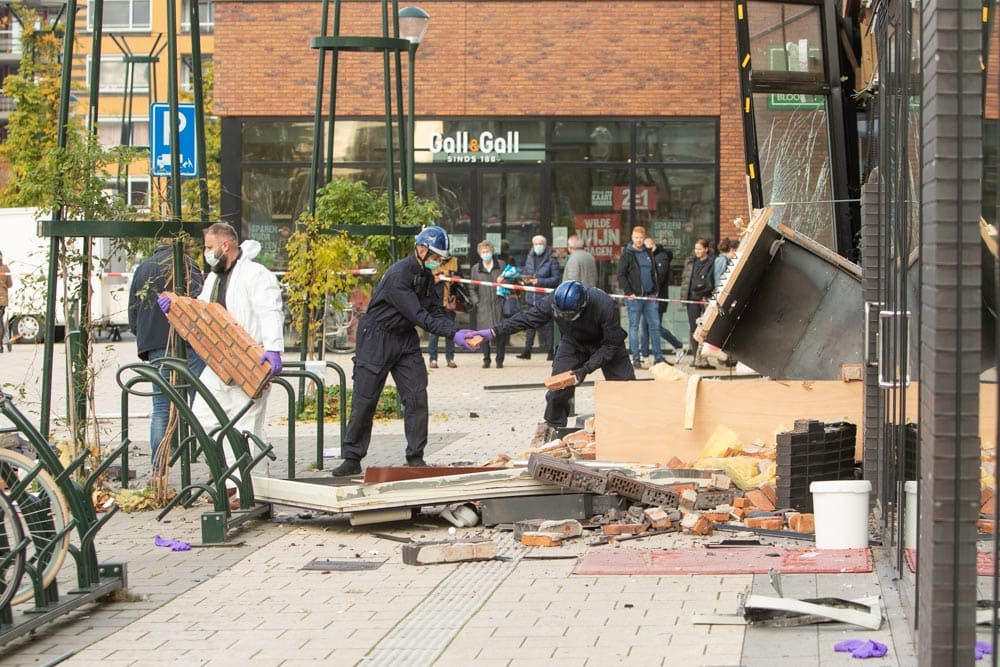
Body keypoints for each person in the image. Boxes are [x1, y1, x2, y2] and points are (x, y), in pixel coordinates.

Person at [330, 226, 479, 476]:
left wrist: (456, 328)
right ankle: (352, 457)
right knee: (365, 400)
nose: (437, 263)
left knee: (416, 396)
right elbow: (419, 315)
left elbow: (435, 310)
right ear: (421, 250)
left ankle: (415, 456)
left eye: (440, 259)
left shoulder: (428, 277)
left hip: (405, 338)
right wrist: (453, 334)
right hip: (377, 336)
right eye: (435, 257)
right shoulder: (399, 275)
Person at [158, 222, 285, 495]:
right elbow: (204, 310)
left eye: (209, 247)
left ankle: (251, 489)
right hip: (220, 360)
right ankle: (230, 479)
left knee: (247, 427)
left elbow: (269, 310)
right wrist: (176, 307)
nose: (207, 252)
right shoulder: (215, 278)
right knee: (205, 417)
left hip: (251, 359)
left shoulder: (255, 275)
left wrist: (273, 348)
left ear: (225, 245)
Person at [473, 280, 633, 429]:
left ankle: (632, 425)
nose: (564, 317)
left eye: (569, 315)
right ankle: (554, 427)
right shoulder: (551, 301)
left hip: (607, 343)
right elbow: (527, 319)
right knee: (559, 386)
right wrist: (493, 332)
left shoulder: (605, 305)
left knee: (626, 388)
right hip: (574, 342)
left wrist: (585, 369)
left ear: (582, 307)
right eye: (561, 314)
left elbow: (611, 344)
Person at [128, 241, 207, 460]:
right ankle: (214, 461)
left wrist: (145, 336)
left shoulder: (143, 268)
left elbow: (133, 314)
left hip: (156, 348)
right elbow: (199, 304)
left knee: (161, 408)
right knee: (202, 403)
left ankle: (158, 468)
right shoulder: (187, 265)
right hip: (188, 344)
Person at [616, 225, 664, 368]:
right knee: (634, 327)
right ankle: (635, 358)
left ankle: (658, 357)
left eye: (641, 238)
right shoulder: (627, 254)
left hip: (650, 296)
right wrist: (628, 292)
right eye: (636, 238)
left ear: (644, 239)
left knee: (655, 326)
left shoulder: (648, 253)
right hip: (634, 297)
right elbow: (621, 275)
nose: (638, 240)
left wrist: (655, 290)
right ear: (632, 237)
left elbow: (653, 272)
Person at [517, 234, 561, 360]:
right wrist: (525, 279)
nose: (538, 246)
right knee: (530, 323)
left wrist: (540, 281)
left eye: (540, 244)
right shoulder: (530, 257)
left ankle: (551, 351)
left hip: (545, 297)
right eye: (536, 244)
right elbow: (526, 272)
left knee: (548, 325)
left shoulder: (552, 259)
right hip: (532, 296)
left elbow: (556, 279)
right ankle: (527, 350)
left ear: (545, 245)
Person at [640, 235, 684, 359]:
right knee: (644, 327)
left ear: (652, 246)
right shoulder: (648, 258)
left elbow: (659, 278)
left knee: (656, 327)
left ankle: (678, 345)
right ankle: (644, 354)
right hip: (646, 297)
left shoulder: (661, 257)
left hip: (657, 298)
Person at [469, 240, 507, 368]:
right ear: (480, 254)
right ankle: (486, 359)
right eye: (483, 252)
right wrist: (477, 302)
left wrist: (503, 281)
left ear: (492, 252)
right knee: (484, 334)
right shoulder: (476, 269)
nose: (486, 254)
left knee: (501, 333)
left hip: (498, 303)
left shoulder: (501, 265)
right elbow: (472, 288)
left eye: (488, 251)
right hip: (484, 305)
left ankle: (500, 360)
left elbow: (509, 283)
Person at [680, 238, 716, 369]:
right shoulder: (691, 262)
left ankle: (704, 359)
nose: (697, 251)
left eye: (700, 249)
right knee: (693, 328)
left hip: (705, 298)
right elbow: (686, 280)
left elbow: (711, 281)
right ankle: (696, 358)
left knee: (706, 329)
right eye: (696, 249)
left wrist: (708, 295)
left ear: (706, 249)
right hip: (692, 299)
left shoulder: (712, 262)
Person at [427, 254, 461, 369]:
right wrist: (437, 278)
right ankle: (433, 359)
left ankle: (450, 358)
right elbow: (427, 279)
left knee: (450, 331)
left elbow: (460, 278)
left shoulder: (454, 261)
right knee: (433, 333)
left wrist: (453, 278)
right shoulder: (431, 261)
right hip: (435, 302)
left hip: (449, 302)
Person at [0, 250, 11, 353]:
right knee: (1, 321)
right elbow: (10, 284)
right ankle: (2, 344)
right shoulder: (5, 268)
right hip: (2, 300)